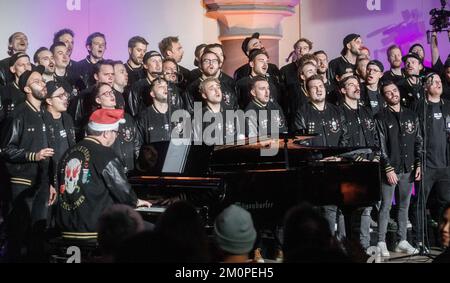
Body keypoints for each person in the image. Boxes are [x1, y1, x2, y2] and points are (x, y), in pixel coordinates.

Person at [55, 108, 150, 239]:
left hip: (66, 228)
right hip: (97, 228)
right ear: (106, 133)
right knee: (152, 231)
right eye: (116, 132)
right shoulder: (106, 155)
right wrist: (135, 201)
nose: (116, 136)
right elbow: (124, 193)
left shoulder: (68, 153)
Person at [1, 70, 56, 261]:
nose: (42, 84)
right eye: (36, 81)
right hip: (21, 182)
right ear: (26, 88)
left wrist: (49, 182)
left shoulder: (44, 115)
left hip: (41, 183)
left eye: (42, 80)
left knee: (38, 234)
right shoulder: (18, 113)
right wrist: (34, 155)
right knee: (17, 235)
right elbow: (6, 149)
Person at [375, 81, 422, 257]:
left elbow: (418, 141)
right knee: (386, 206)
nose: (393, 94)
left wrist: (418, 164)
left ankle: (402, 240)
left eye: (394, 90)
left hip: (408, 169)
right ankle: (381, 241)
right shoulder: (380, 117)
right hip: (391, 169)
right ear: (384, 97)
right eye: (388, 92)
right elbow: (380, 146)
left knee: (404, 206)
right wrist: (387, 168)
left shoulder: (412, 115)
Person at [339, 75, 379, 252]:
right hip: (350, 167)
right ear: (343, 90)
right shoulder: (339, 112)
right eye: (351, 85)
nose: (356, 87)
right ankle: (346, 248)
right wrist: (356, 158)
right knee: (347, 210)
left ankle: (364, 247)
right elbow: (342, 142)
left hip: (369, 166)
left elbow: (375, 137)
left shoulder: (366, 111)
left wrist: (376, 155)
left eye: (357, 84)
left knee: (366, 209)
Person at [411, 73, 450, 251]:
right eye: (434, 82)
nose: (438, 84)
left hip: (445, 165)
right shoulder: (419, 107)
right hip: (426, 165)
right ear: (426, 86)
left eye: (440, 82)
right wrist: (417, 162)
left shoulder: (447, 106)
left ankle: (444, 241)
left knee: (445, 204)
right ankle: (420, 241)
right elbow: (414, 137)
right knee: (420, 203)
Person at [0, 52, 32, 124]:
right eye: (21, 65)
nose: (26, 68)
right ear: (13, 69)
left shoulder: (36, 90)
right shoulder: (4, 92)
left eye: (28, 64)